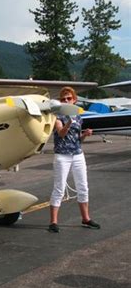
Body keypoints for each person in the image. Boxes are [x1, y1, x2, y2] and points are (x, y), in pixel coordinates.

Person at [48, 87, 100, 233]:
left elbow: (77, 138)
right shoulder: (58, 116)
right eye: (63, 99)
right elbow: (61, 133)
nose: (66, 101)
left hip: (77, 154)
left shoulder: (78, 116)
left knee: (83, 186)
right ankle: (53, 222)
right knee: (59, 188)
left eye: (69, 98)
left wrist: (85, 134)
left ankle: (86, 218)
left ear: (74, 100)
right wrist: (69, 122)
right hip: (62, 155)